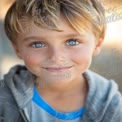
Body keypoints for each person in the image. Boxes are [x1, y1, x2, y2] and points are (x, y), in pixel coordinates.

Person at [0, 0, 122, 122]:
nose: (56, 57)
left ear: (97, 44)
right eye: (37, 44)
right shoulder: (4, 97)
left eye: (72, 41)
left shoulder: (111, 105)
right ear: (17, 49)